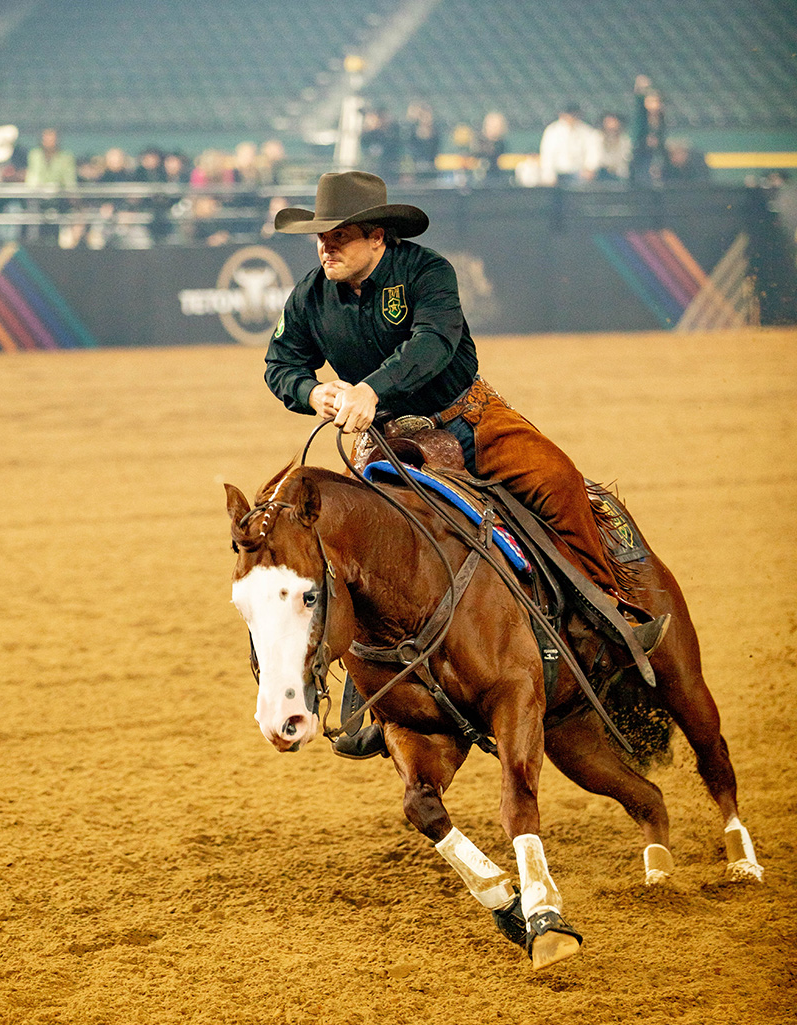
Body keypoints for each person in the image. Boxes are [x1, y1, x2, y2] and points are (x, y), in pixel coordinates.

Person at [264, 171, 668, 755]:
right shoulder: (309, 296)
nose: (326, 246)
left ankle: (611, 614)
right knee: (358, 544)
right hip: (384, 439)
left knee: (557, 482)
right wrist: (313, 394)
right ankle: (369, 688)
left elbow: (434, 343)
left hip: (468, 419)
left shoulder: (428, 273)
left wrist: (371, 388)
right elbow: (280, 364)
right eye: (321, 236)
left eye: (341, 235)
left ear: (377, 237)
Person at [538, 105, 600, 187]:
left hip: (578, 173)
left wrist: (589, 169)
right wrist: (548, 174)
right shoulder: (552, 131)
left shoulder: (587, 131)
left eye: (573, 115)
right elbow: (547, 154)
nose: (570, 118)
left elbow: (592, 153)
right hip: (558, 172)